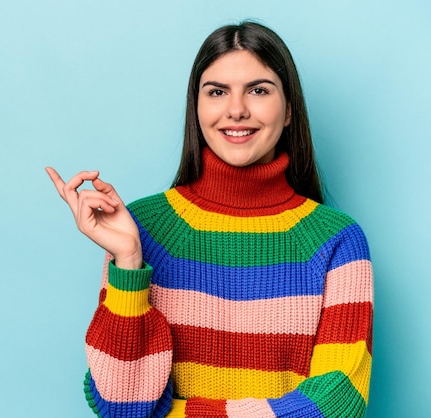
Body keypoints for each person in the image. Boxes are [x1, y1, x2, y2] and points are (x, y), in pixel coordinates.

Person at [46, 21, 373, 418]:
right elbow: (122, 406)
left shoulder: (336, 240)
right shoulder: (143, 229)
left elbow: (339, 403)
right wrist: (129, 262)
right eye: (217, 92)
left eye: (258, 90)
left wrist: (178, 413)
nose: (236, 109)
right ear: (197, 109)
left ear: (289, 111)